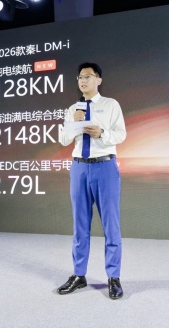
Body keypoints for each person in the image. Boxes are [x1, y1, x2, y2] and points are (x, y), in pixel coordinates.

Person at [57, 62, 127, 300]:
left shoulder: (110, 105)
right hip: (79, 168)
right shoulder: (72, 109)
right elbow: (64, 140)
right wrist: (74, 123)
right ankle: (79, 275)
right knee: (80, 225)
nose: (83, 80)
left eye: (88, 76)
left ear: (99, 80)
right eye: (80, 77)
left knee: (110, 224)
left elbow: (121, 134)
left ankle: (113, 277)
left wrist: (102, 133)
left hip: (104, 166)